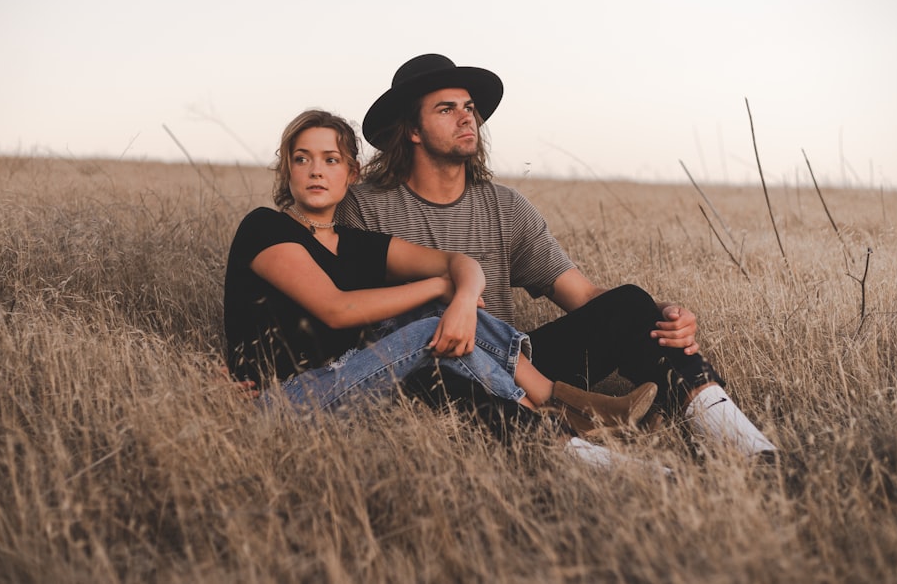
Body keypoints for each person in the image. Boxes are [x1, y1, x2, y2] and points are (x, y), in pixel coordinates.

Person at [336, 54, 777, 461]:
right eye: (446, 109)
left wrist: (657, 315)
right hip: (432, 368)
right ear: (412, 130)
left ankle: (748, 446)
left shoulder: (505, 207)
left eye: (469, 107)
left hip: (517, 364)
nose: (466, 117)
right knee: (433, 375)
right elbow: (350, 318)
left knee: (629, 303)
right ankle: (600, 460)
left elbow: (582, 294)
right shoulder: (365, 207)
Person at [223, 109, 665, 469]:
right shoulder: (264, 227)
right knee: (428, 320)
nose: (315, 171)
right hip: (284, 399)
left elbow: (463, 265)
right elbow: (337, 309)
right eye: (301, 159)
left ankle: (565, 415)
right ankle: (559, 409)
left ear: (351, 173)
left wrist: (463, 297)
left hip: (354, 380)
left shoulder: (357, 244)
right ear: (287, 169)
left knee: (439, 313)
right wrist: (443, 289)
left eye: (330, 160)